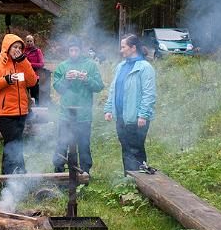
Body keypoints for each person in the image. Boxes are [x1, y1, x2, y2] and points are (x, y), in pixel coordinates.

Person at [0, 34, 37, 174]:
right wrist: (5, 80)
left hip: (21, 111)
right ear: (7, 48)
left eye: (20, 47)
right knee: (14, 143)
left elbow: (32, 82)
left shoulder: (23, 63)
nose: (17, 50)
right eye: (15, 47)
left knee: (13, 144)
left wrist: (24, 61)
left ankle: (8, 176)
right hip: (4, 112)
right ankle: (18, 173)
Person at [104, 34, 156, 174]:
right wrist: (109, 109)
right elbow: (113, 89)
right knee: (126, 149)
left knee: (136, 150)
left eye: (123, 47)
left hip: (136, 119)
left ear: (133, 48)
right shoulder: (121, 66)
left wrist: (143, 115)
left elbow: (149, 94)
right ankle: (128, 179)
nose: (121, 50)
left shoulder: (145, 67)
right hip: (121, 117)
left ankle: (141, 183)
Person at [52, 37, 104, 175]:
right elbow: (58, 87)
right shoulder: (63, 66)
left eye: (76, 50)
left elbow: (99, 86)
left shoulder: (90, 65)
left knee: (84, 145)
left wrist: (87, 79)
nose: (73, 53)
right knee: (62, 144)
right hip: (65, 113)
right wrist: (66, 79)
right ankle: (59, 173)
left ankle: (85, 173)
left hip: (84, 115)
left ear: (81, 50)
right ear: (68, 51)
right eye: (71, 50)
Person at [23, 35, 44, 105]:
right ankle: (26, 112)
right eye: (27, 41)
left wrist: (30, 65)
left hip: (35, 76)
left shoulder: (37, 51)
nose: (29, 43)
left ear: (34, 42)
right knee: (24, 96)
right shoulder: (23, 51)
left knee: (35, 96)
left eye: (31, 41)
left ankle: (37, 111)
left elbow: (41, 64)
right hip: (24, 77)